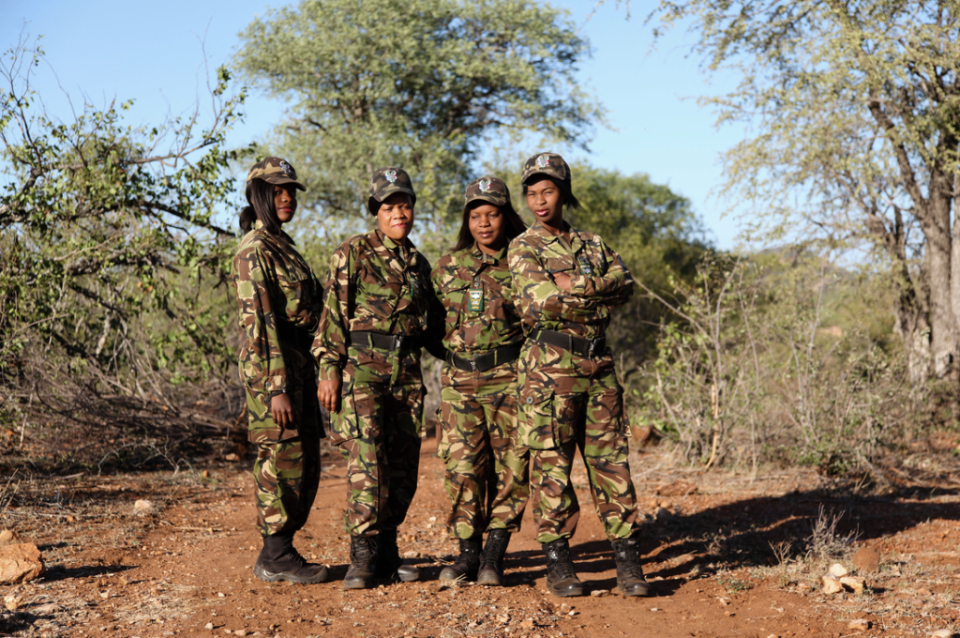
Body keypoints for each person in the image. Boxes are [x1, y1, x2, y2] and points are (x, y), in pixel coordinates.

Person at [508, 152, 651, 598]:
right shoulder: (523, 246)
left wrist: (577, 287)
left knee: (612, 465)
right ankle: (559, 563)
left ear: (564, 192)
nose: (539, 201)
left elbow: (625, 282)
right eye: (532, 193)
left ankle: (628, 562)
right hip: (549, 370)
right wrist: (595, 290)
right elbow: (542, 300)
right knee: (551, 466)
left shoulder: (593, 242)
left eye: (547, 191)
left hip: (599, 366)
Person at [313, 167, 445, 589]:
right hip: (362, 370)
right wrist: (329, 368)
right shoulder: (351, 252)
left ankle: (388, 549)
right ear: (376, 211)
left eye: (404, 204)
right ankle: (363, 553)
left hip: (406, 373)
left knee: (404, 463)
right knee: (367, 461)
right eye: (389, 206)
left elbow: (431, 330)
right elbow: (332, 316)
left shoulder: (419, 264)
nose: (398, 212)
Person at [231, 157, 328, 584]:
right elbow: (260, 326)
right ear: (257, 196)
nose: (286, 197)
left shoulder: (281, 244)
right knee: (282, 460)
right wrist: (276, 388)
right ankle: (275, 556)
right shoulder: (253, 251)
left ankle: (281, 549)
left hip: (298, 366)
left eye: (290, 191)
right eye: (277, 191)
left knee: (305, 461)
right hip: (275, 370)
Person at [431, 176, 529, 585]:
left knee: (512, 467)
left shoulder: (524, 264)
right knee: (463, 469)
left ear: (506, 217)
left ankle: (494, 555)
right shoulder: (447, 268)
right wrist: (459, 360)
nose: (484, 223)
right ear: (466, 221)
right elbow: (430, 328)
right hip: (460, 383)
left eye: (492, 214)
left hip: (510, 379)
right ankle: (468, 554)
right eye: (476, 216)